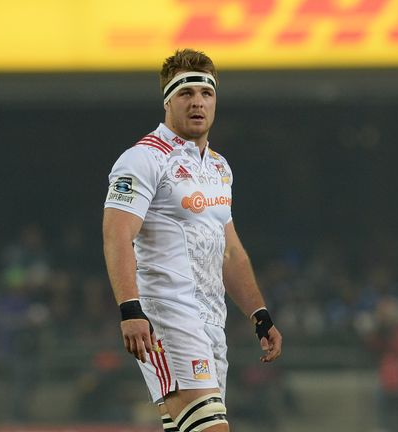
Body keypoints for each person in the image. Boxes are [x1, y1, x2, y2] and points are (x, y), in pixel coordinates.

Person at [103, 48, 282, 432]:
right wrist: (130, 310)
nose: (197, 101)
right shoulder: (142, 159)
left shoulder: (218, 166)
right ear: (168, 100)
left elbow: (230, 250)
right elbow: (117, 233)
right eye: (186, 93)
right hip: (165, 317)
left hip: (210, 323)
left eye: (206, 93)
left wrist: (259, 314)